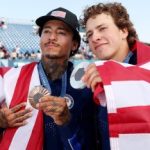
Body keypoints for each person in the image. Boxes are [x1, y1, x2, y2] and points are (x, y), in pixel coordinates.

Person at [0, 7, 97, 149]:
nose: (51, 37)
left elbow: (92, 140)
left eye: (61, 32)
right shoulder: (10, 77)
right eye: (46, 31)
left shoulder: (86, 84)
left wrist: (67, 121)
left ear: (75, 44)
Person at [81, 2, 150, 150]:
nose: (95, 38)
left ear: (124, 31)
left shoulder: (147, 65)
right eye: (89, 34)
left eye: (102, 28)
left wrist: (116, 75)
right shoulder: (93, 78)